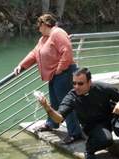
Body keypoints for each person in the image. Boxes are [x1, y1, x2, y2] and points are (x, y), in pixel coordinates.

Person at [38, 67, 119, 159]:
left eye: (80, 83)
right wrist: (47, 107)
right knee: (106, 140)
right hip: (93, 125)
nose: (77, 87)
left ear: (89, 82)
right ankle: (89, 148)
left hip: (110, 115)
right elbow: (58, 119)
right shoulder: (71, 98)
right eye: (74, 83)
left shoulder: (101, 87)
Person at [13, 14, 81, 145]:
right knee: (55, 101)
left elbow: (67, 51)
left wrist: (60, 69)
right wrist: (21, 65)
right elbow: (34, 53)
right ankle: (51, 124)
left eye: (38, 27)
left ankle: (74, 132)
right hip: (54, 74)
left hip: (64, 73)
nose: (38, 29)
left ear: (43, 25)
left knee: (66, 103)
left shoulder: (58, 33)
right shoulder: (44, 38)